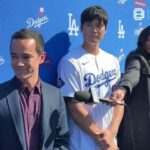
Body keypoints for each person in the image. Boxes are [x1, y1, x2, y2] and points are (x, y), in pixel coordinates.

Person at [57, 5, 124, 150]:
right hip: (83, 143)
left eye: (99, 26)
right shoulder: (70, 61)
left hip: (110, 141)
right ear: (81, 28)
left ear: (105, 30)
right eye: (89, 25)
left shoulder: (112, 60)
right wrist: (101, 138)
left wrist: (112, 134)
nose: (94, 30)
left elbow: (119, 101)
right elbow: (74, 108)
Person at [0, 28, 69, 150]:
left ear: (41, 57)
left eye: (26, 57)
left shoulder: (55, 95)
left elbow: (61, 139)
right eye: (14, 56)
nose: (19, 63)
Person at [110, 25, 150, 150]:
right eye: (148, 40)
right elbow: (132, 73)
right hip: (139, 126)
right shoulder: (136, 57)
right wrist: (123, 88)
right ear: (142, 41)